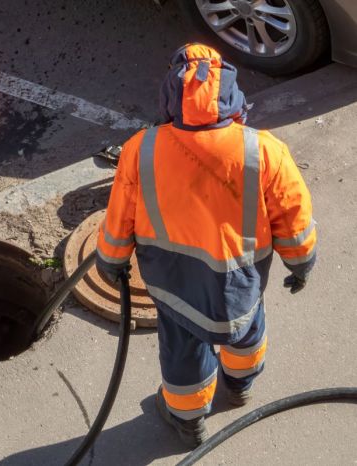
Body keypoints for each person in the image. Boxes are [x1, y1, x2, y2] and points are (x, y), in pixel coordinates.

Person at [96, 44, 316, 447]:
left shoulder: (141, 148)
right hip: (240, 281)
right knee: (246, 330)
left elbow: (120, 215)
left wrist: (110, 260)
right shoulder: (262, 149)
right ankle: (240, 386)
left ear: (169, 96)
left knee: (184, 351)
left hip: (173, 282)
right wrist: (301, 263)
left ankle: (188, 421)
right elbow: (293, 214)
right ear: (232, 93)